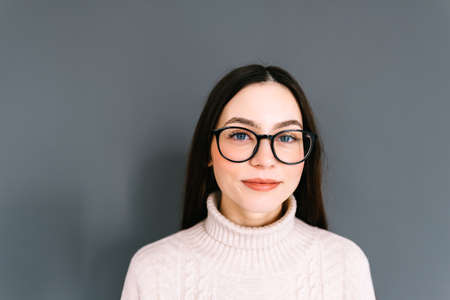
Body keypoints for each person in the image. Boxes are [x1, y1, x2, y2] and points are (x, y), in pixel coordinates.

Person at [120, 64, 377, 299]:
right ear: (208, 151)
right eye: (241, 135)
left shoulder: (345, 265)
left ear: (304, 155)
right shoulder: (153, 271)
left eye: (286, 137)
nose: (264, 160)